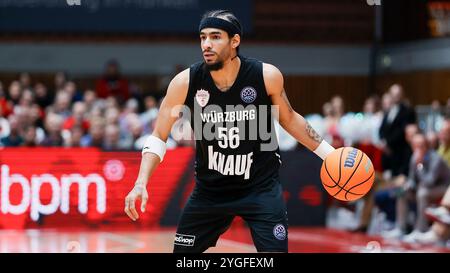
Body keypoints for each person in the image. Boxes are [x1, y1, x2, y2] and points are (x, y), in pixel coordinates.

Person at [123, 10, 335, 253]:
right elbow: (159, 136)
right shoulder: (184, 83)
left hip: (260, 189)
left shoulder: (265, 76)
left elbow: (289, 119)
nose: (206, 44)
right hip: (210, 191)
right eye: (203, 37)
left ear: (235, 41)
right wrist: (141, 182)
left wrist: (331, 155)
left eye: (215, 37)